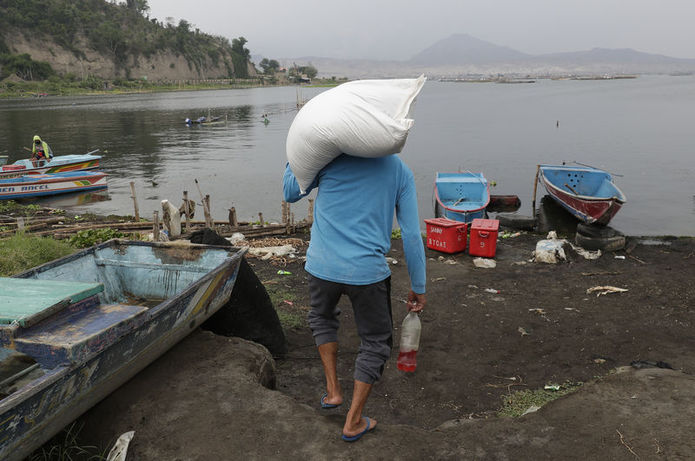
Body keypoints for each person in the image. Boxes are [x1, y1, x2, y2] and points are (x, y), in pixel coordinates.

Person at [283, 154, 426, 442]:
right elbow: (411, 234)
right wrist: (418, 284)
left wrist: (295, 154)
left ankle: (333, 392)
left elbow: (291, 192)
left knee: (322, 318)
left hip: (321, 266)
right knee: (375, 341)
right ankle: (354, 420)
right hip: (367, 272)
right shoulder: (399, 170)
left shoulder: (326, 157)